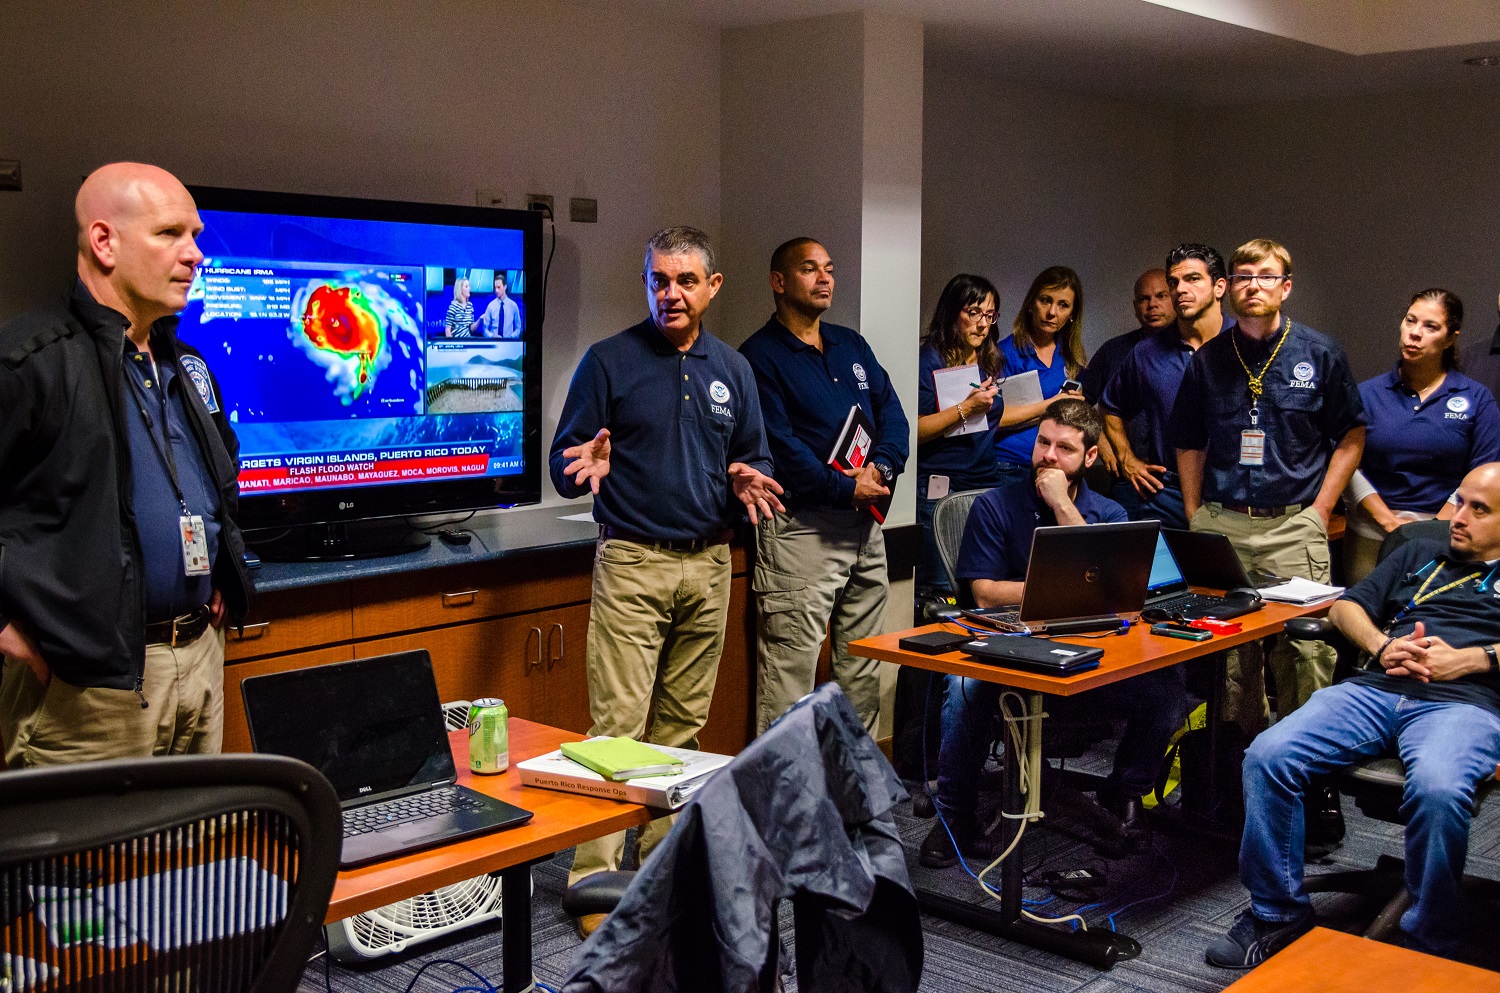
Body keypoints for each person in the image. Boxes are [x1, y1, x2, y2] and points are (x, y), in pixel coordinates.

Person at [549, 226, 783, 910]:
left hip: (709, 563)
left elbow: (757, 456)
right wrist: (582, 466)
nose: (670, 293)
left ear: (712, 287)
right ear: (646, 284)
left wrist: (751, 477)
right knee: (617, 729)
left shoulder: (733, 369)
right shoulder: (609, 361)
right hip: (632, 560)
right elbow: (568, 467)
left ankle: (656, 876)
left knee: (681, 731)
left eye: (685, 280)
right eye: (659, 280)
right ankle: (591, 883)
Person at [0, 162, 253, 768]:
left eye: (195, 235)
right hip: (87, 688)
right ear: (104, 241)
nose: (195, 255)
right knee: (88, 866)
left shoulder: (185, 364)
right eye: (170, 235)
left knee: (191, 859)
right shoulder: (32, 362)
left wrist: (220, 568)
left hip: (196, 662)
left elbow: (218, 482)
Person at [1207, 463, 1500, 968]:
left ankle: (1431, 943)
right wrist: (1382, 645)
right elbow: (1345, 607)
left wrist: (1474, 659)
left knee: (1438, 788)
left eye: (1480, 509)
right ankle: (1276, 913)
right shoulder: (1419, 548)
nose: (1457, 516)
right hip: (1376, 687)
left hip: (1463, 702)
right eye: (1459, 501)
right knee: (1268, 755)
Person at [919, 398, 1187, 866]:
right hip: (1011, 643)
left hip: (1091, 647)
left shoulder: (1108, 512)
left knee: (1166, 685)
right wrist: (1055, 592)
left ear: (1088, 458)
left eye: (1064, 449)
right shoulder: (994, 504)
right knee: (963, 686)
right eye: (1043, 442)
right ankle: (954, 815)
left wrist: (1062, 505)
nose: (1047, 456)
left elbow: (1111, 591)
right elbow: (983, 593)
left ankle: (1123, 792)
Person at [1168, 238, 1365, 734]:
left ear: (1286, 286)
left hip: (1293, 525)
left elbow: (1351, 434)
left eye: (1266, 275)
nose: (1253, 285)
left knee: (1304, 651)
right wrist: (1195, 512)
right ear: (1228, 286)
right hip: (1222, 524)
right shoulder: (1208, 360)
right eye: (1242, 276)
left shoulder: (1320, 354)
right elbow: (1189, 441)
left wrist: (1320, 509)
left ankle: (1300, 764)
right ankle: (1237, 766)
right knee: (1230, 656)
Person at [740, 238, 909, 734]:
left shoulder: (850, 345)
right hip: (802, 533)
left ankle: (850, 798)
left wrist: (883, 468)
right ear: (779, 281)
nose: (825, 278)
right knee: (789, 682)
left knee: (861, 668)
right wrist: (844, 489)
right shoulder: (759, 356)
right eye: (810, 269)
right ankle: (786, 806)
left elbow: (892, 413)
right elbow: (781, 448)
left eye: (829, 269)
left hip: (864, 528)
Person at [1344, 289, 1500, 582]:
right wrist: (1388, 521)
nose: (1414, 334)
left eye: (1430, 327)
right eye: (1410, 321)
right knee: (1365, 620)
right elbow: (1345, 464)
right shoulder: (1366, 394)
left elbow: (1482, 472)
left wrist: (1433, 528)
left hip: (1447, 535)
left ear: (1451, 337)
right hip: (1371, 534)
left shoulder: (1476, 398)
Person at [1101, 244, 1233, 529]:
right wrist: (1127, 459)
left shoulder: (1243, 345)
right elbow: (1110, 406)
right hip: (1167, 493)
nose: (1180, 289)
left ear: (1219, 287)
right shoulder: (1146, 353)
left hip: (1232, 493)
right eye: (1174, 282)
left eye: (1192, 279)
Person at [915, 273, 1004, 591]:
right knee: (942, 589)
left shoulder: (989, 360)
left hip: (986, 483)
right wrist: (965, 408)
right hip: (941, 487)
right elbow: (914, 430)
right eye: (974, 313)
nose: (983, 323)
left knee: (986, 583)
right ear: (953, 312)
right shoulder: (929, 360)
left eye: (990, 315)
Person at [1082, 268, 1174, 508]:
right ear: (1135, 307)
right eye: (1144, 299)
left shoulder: (1195, 350)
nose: (1152, 305)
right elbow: (1078, 401)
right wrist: (1100, 440)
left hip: (1180, 479)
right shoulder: (1114, 351)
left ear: (1175, 298)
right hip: (1128, 477)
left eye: (1161, 296)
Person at [993, 266, 1088, 485]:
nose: (1052, 312)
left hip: (1057, 465)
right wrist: (1052, 406)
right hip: (1010, 464)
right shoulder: (1007, 352)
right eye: (1045, 300)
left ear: (1072, 314)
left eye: (1063, 305)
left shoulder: (1072, 357)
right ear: (1030, 305)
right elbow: (993, 419)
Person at [478, 271, 521, 339]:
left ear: (505, 287)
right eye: (495, 287)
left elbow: (518, 328)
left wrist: (511, 337)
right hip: (494, 344)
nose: (496, 290)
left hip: (509, 343)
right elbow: (485, 329)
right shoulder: (491, 306)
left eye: (499, 287)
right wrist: (492, 336)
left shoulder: (513, 306)